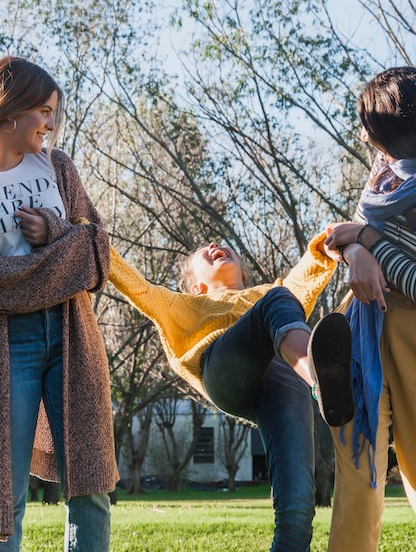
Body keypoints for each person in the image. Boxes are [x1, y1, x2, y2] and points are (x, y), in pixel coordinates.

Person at [107, 231, 354, 552]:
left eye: (223, 247)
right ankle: (320, 380)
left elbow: (308, 272)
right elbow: (140, 288)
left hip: (283, 376)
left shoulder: (269, 293)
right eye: (203, 248)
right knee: (278, 300)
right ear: (196, 285)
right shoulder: (184, 304)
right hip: (223, 371)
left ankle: (320, 384)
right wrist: (97, 244)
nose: (214, 245)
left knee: (297, 510)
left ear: (244, 274)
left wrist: (326, 246)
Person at [0, 56, 118, 550]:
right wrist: (60, 257)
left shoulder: (58, 167)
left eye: (55, 113)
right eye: (44, 111)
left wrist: (55, 231)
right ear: (11, 109)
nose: (51, 123)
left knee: (90, 489)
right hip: (11, 347)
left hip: (71, 334)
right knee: (7, 493)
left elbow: (96, 252)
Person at [323, 66, 416, 551]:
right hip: (361, 331)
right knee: (358, 474)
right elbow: (342, 233)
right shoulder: (386, 176)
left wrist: (367, 240)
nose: (362, 136)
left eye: (372, 127)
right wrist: (357, 247)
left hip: (412, 330)